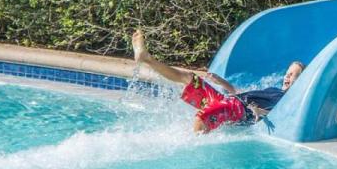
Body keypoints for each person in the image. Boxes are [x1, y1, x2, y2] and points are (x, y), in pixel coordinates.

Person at [131, 30, 305, 133]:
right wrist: (221, 82)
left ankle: (191, 149)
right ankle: (147, 58)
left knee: (202, 117)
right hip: (228, 101)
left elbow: (279, 114)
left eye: (292, 75)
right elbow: (239, 93)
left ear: (301, 81)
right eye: (287, 73)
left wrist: (260, 112)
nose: (287, 77)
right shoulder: (273, 90)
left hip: (236, 110)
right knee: (189, 77)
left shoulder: (285, 99)